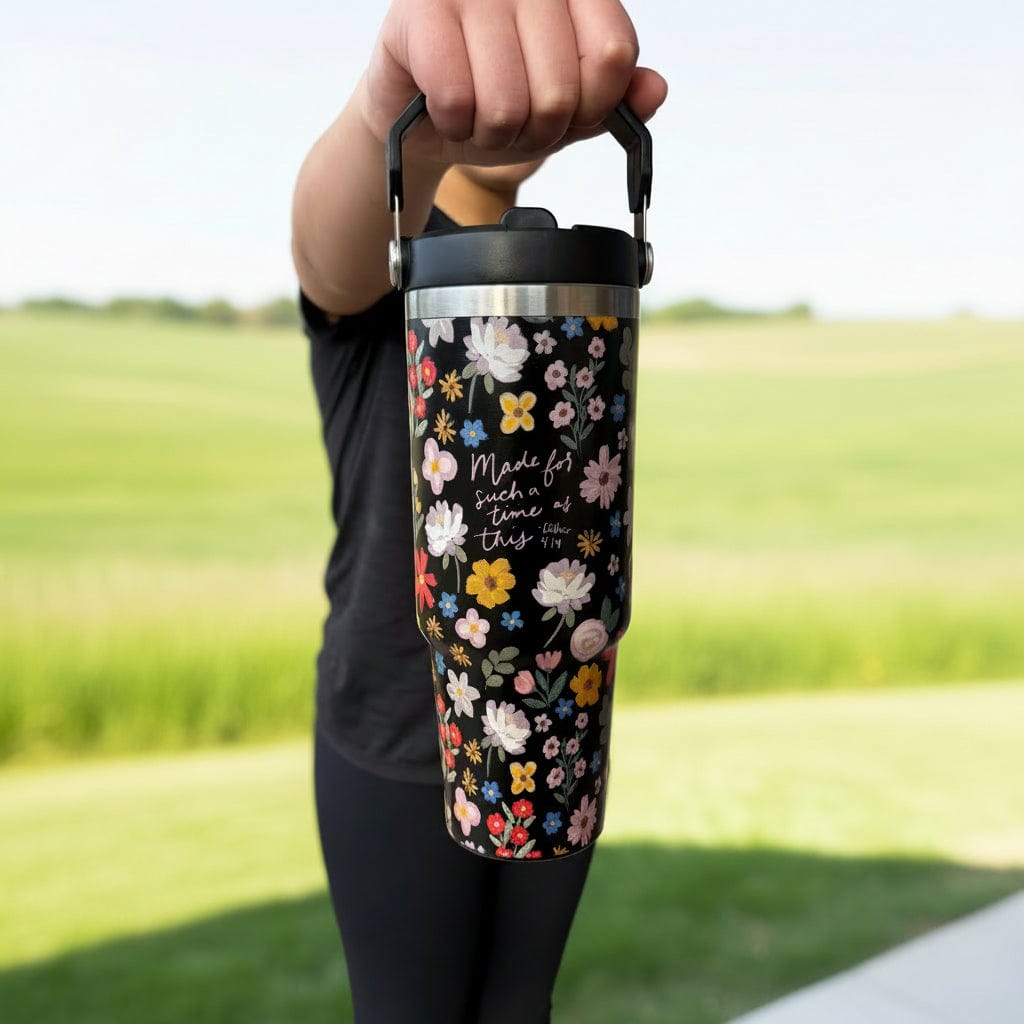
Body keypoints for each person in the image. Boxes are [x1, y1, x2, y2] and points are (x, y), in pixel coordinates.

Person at [291, 3, 666, 1021]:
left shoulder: (576, 279)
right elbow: (330, 250)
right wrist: (389, 112)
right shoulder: (390, 266)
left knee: (519, 1006)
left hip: (566, 706)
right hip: (389, 722)